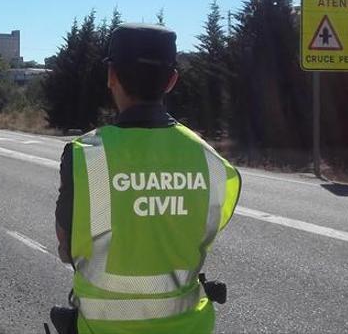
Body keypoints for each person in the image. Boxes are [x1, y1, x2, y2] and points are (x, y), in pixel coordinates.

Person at [53, 23, 241, 334]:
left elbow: (67, 246)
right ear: (172, 80)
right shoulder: (211, 161)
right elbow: (205, 232)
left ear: (111, 75)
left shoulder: (85, 155)